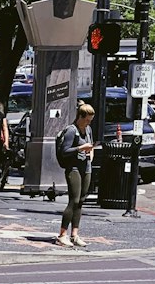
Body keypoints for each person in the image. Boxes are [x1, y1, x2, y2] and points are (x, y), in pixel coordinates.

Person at [55, 103, 95, 249]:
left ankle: (75, 234)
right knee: (74, 200)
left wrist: (90, 152)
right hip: (74, 168)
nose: (88, 123)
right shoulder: (72, 131)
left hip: (86, 167)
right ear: (80, 116)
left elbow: (90, 144)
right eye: (87, 120)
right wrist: (80, 147)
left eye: (90, 120)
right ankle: (62, 235)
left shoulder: (88, 129)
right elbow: (65, 151)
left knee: (81, 201)